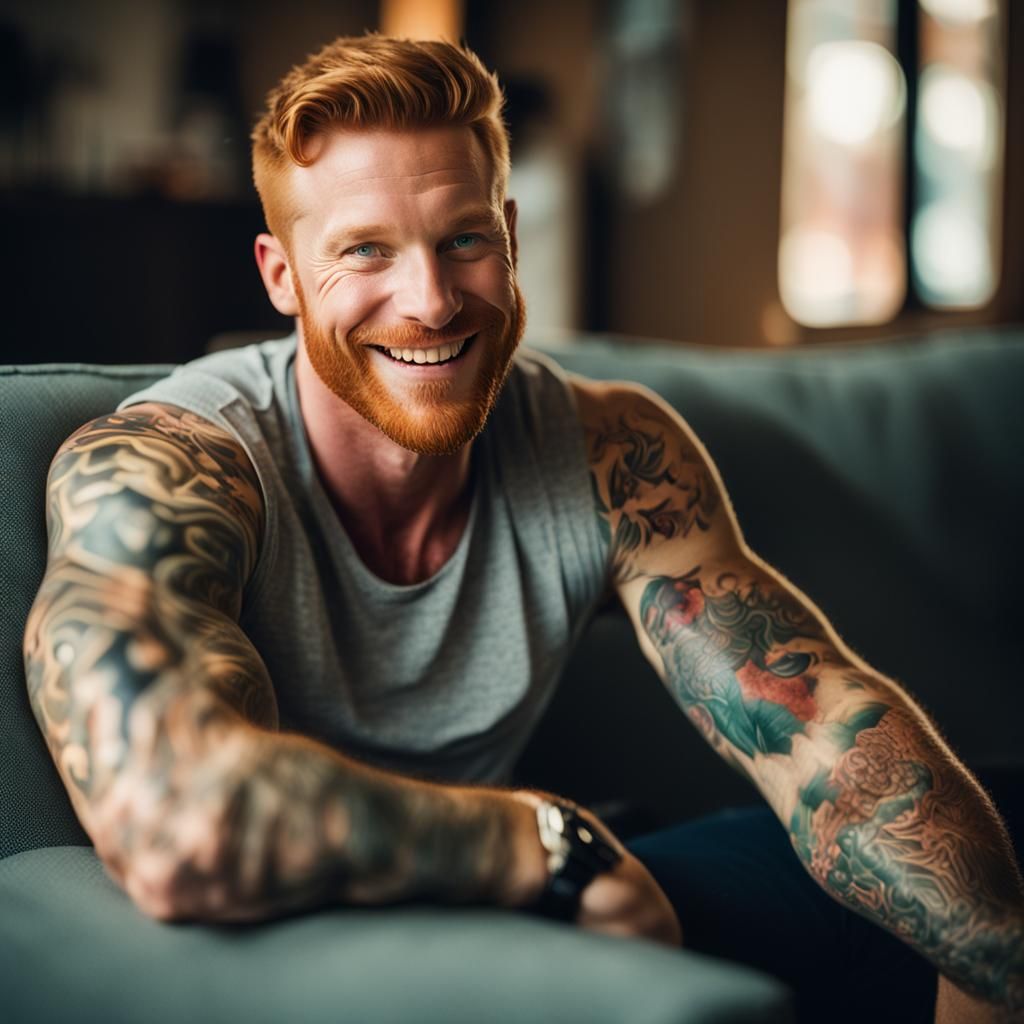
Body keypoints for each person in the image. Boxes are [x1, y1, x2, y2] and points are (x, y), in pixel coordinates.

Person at [23, 33, 1023, 1023]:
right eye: (366, 250)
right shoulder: (166, 471)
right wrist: (546, 846)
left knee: (975, 830)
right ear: (280, 274)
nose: (430, 302)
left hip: (542, 907)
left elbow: (822, 737)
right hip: (319, 943)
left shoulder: (613, 455)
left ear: (508, 235)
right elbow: (174, 820)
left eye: (463, 240)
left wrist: (991, 967)